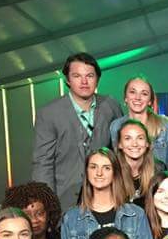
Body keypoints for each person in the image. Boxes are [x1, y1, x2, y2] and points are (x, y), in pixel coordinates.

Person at [32, 52, 122, 209]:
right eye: (77, 76)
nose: (84, 82)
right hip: (65, 200)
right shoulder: (49, 113)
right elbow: (42, 164)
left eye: (90, 76)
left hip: (107, 197)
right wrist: (48, 205)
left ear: (97, 79)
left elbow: (124, 143)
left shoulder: (110, 105)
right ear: (67, 79)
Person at [60, 148, 154, 239]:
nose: (99, 173)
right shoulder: (71, 218)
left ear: (115, 173)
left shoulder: (135, 215)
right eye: (93, 167)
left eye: (106, 168)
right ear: (86, 172)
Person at [109, 75, 168, 166]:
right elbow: (116, 162)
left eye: (144, 93)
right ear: (125, 98)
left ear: (150, 101)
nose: (138, 97)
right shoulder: (116, 126)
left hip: (158, 179)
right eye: (133, 92)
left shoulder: (165, 125)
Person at [113, 118, 159, 205]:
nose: (134, 144)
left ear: (147, 143)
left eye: (140, 138)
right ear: (120, 144)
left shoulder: (158, 169)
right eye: (128, 138)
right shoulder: (112, 171)